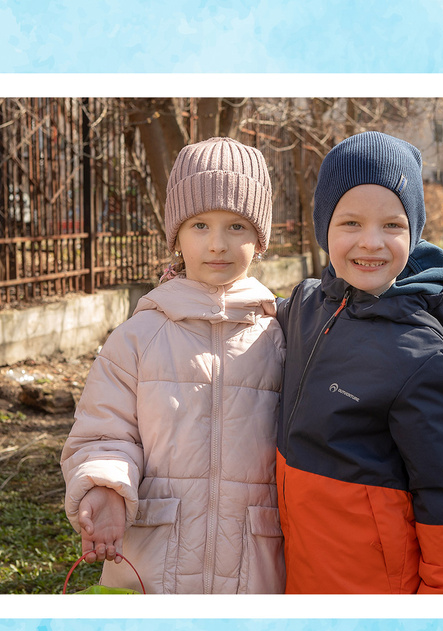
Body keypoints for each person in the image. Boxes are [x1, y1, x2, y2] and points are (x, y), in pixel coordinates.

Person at [62, 139, 285, 593]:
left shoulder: (281, 337)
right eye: (200, 225)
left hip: (256, 565)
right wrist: (105, 485)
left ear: (259, 240)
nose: (217, 244)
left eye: (237, 226)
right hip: (153, 563)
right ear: (176, 236)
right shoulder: (138, 337)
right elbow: (105, 433)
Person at [275, 133, 443, 593]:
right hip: (298, 571)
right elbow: (242, 313)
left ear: (413, 233)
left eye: (392, 225)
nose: (371, 243)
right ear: (323, 230)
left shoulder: (421, 356)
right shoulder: (305, 305)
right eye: (350, 222)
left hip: (370, 591)